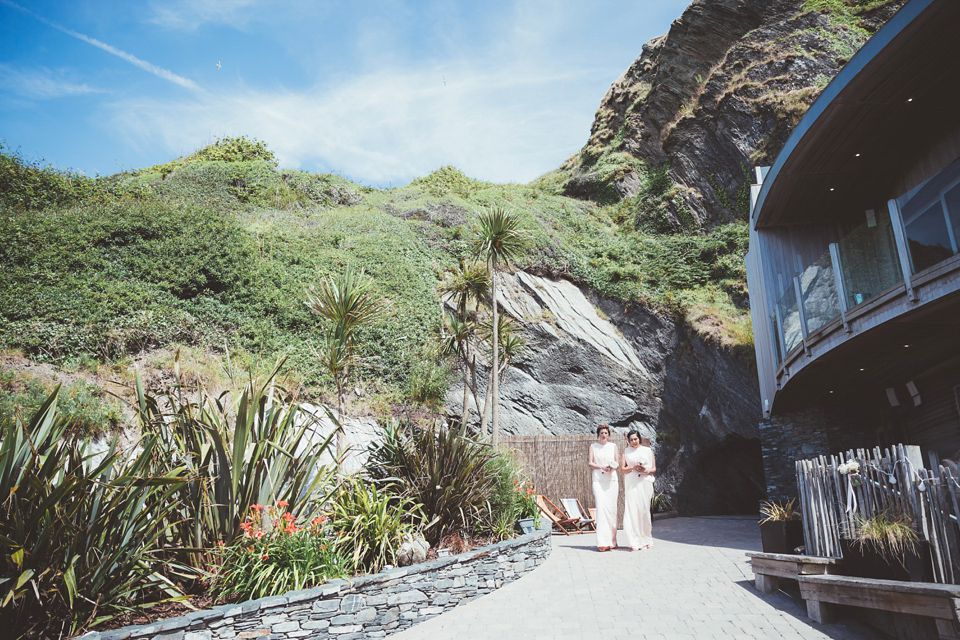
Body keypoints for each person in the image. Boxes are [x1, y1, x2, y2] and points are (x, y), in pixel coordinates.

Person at [620, 432, 656, 551]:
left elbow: (654, 469)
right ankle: (634, 541)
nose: (634, 442)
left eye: (635, 439)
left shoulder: (648, 451)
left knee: (644, 511)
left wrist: (646, 469)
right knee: (632, 511)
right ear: (628, 441)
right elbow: (622, 469)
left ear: (639, 439)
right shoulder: (626, 451)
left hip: (644, 483)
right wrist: (632, 467)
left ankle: (646, 539)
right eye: (631, 440)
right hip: (631, 483)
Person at [588, 424, 619, 551]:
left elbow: (617, 462)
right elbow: (590, 462)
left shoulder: (613, 446)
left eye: (606, 433)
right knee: (601, 508)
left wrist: (612, 467)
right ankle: (602, 542)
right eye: (601, 433)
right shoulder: (593, 446)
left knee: (611, 510)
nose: (603, 435)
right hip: (599, 480)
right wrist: (601, 467)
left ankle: (612, 541)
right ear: (598, 434)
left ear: (609, 434)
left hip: (611, 480)